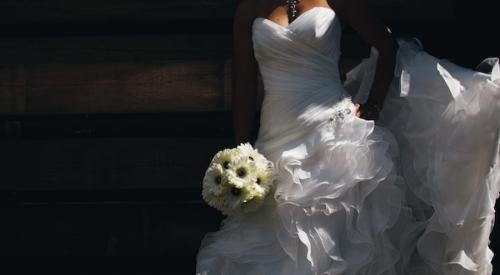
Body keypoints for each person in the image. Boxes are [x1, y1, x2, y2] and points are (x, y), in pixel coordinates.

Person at [196, 0, 500, 274]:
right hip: (275, 136)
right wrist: (241, 147)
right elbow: (245, 83)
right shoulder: (250, 7)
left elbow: (386, 44)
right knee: (272, 236)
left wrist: (374, 104)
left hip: (334, 135)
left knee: (336, 238)